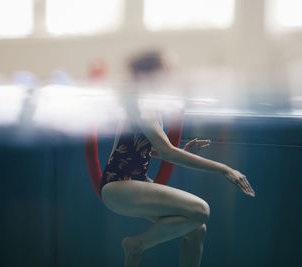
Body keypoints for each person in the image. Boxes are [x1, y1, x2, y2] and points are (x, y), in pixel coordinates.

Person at [100, 51, 255, 267]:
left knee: (196, 229)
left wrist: (184, 151)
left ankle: (136, 247)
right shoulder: (140, 107)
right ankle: (137, 245)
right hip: (118, 186)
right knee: (201, 210)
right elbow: (167, 152)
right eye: (166, 70)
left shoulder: (144, 104)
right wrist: (224, 169)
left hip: (129, 183)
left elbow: (145, 150)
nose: (172, 75)